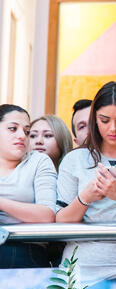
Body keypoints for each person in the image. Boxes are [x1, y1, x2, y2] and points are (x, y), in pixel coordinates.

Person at [55, 81, 116, 286]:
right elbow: (60, 222)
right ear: (94, 119)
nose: (113, 128)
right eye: (104, 120)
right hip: (79, 267)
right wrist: (86, 197)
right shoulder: (75, 160)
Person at [0, 104, 56, 268]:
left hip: (25, 249)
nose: (22, 136)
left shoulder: (38, 161)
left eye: (26, 131)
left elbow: (47, 215)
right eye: (12, 129)